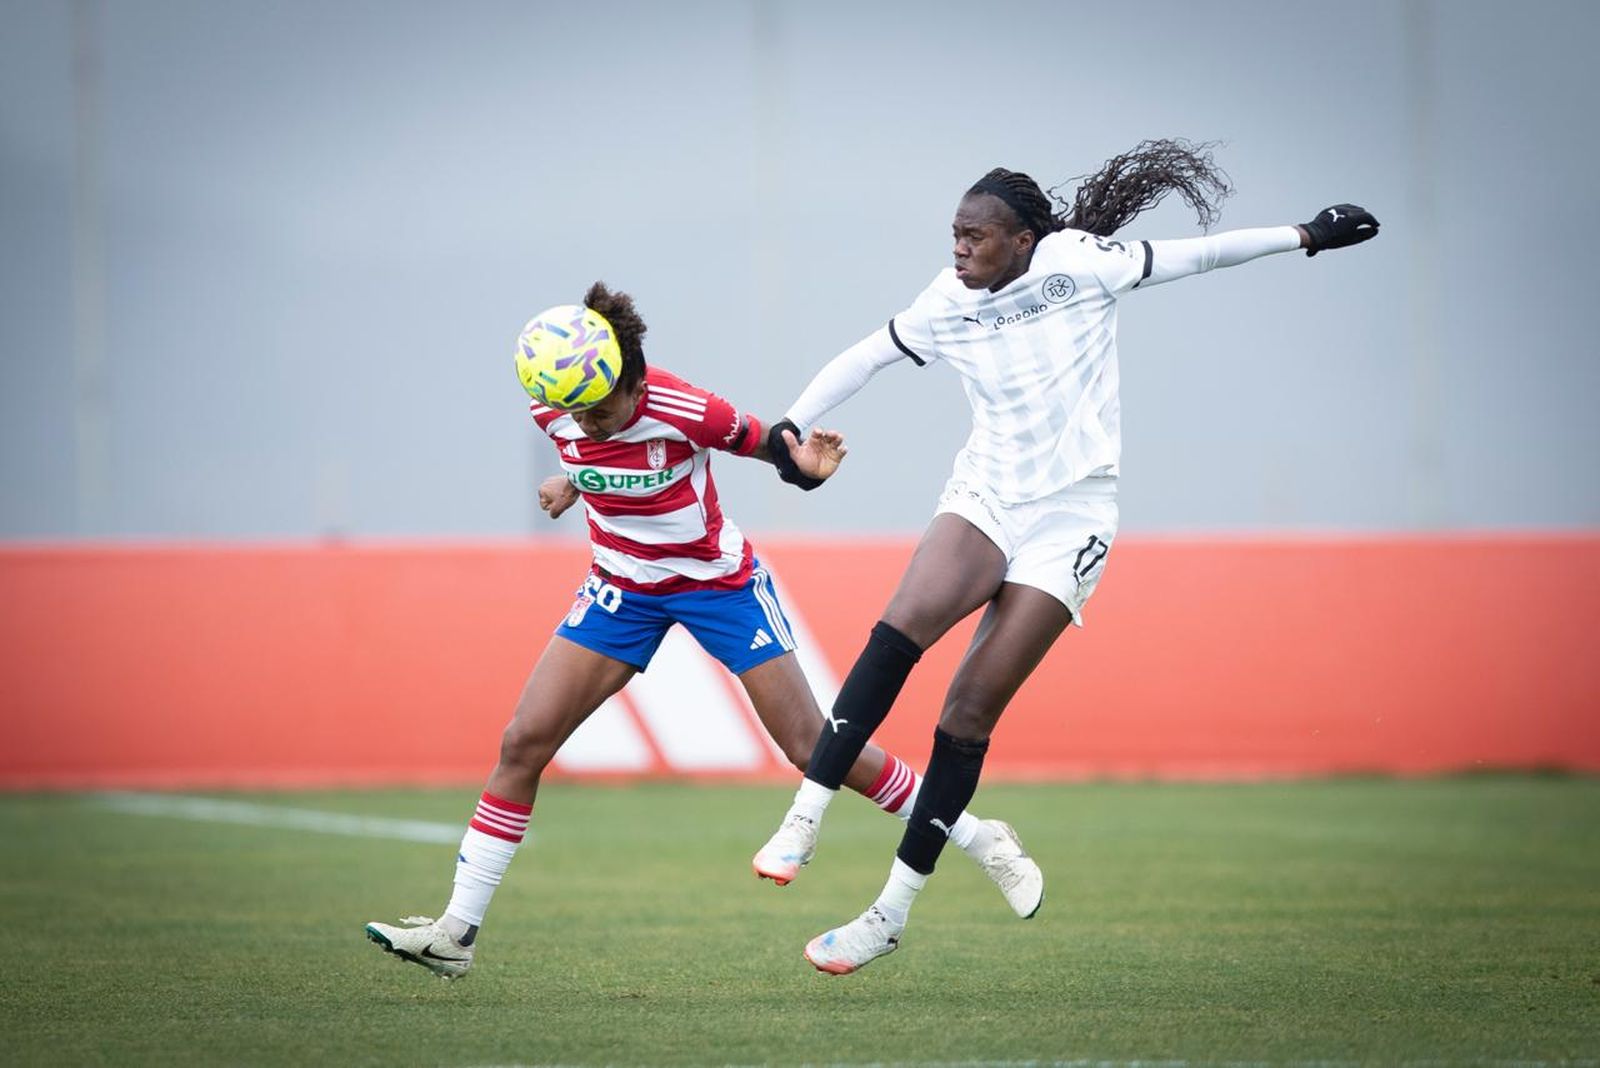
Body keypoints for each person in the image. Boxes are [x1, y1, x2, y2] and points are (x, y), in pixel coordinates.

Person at [752, 139, 1381, 974]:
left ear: (1023, 241)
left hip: (1073, 514)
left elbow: (1197, 257)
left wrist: (1304, 235)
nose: (959, 248)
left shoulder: (1081, 264)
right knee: (900, 628)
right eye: (954, 233)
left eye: (975, 236)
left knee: (967, 712)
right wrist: (785, 430)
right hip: (986, 494)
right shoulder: (947, 299)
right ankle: (805, 814)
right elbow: (866, 355)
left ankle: (890, 913)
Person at [364, 281, 1044, 978]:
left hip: (718, 587)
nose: (586, 424)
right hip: (623, 589)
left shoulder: (690, 409)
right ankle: (457, 934)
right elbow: (589, 452)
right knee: (522, 741)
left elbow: (776, 448)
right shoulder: (558, 405)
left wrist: (808, 470)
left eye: (600, 411)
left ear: (631, 382)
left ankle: (976, 836)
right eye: (573, 415)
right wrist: (573, 481)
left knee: (811, 746)